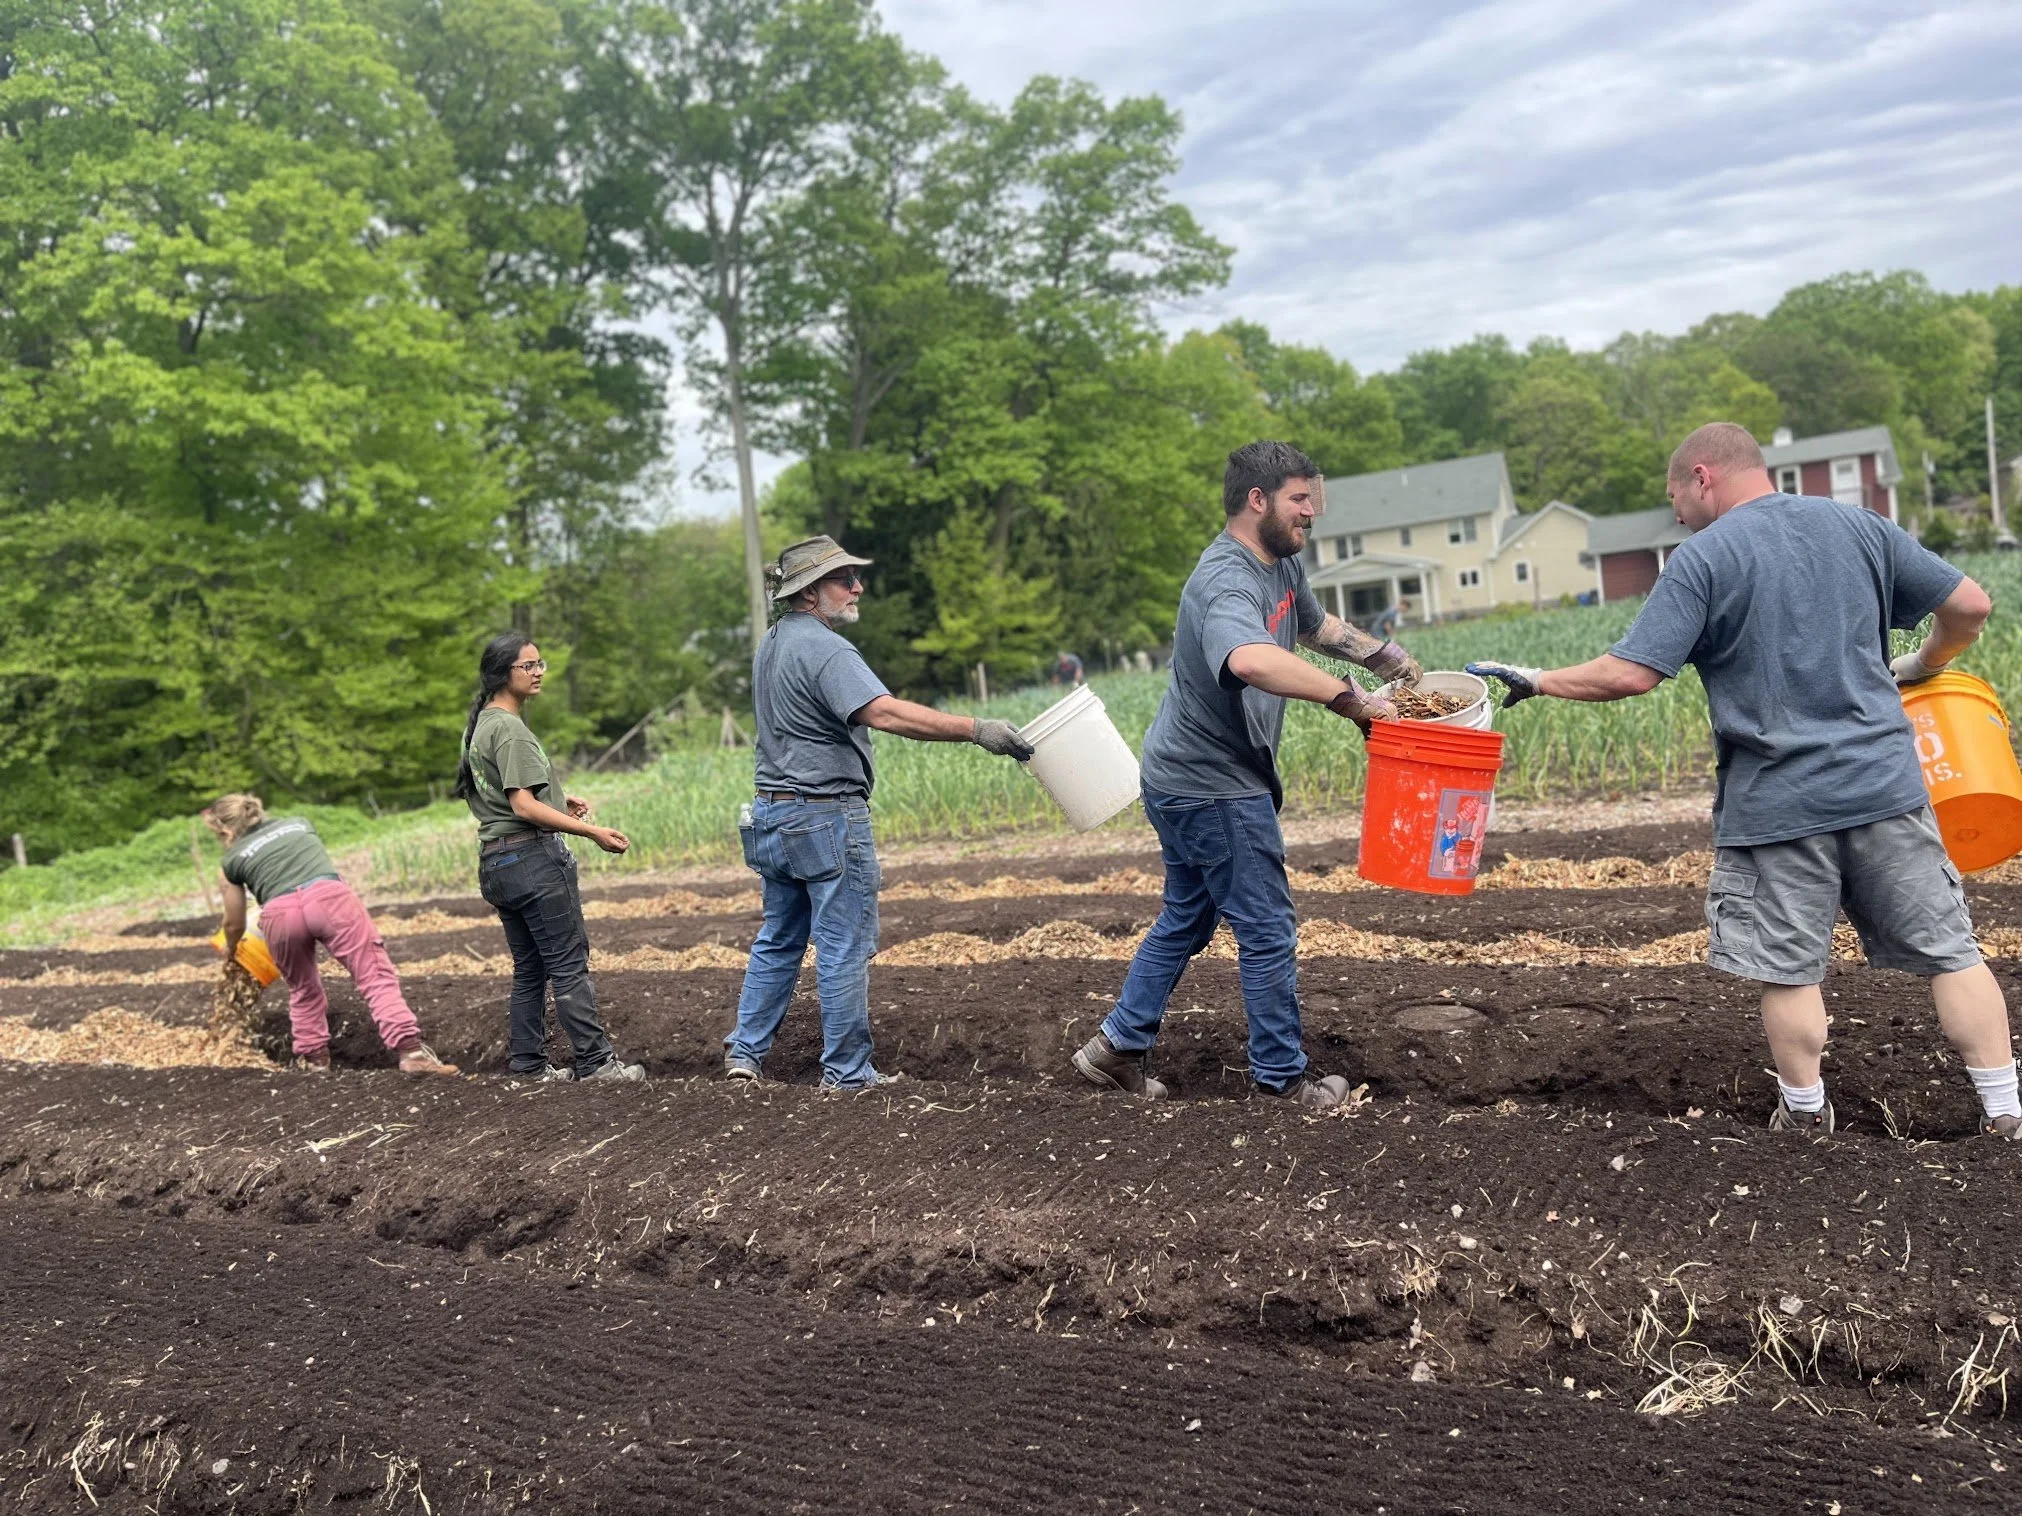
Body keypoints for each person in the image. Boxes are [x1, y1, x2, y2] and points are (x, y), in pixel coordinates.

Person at [1467, 421, 2017, 1138]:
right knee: (1952, 952)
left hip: (1778, 803)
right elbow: (1971, 606)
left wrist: (1537, 679)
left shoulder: (1703, 559)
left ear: (1703, 476)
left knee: (1790, 973)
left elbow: (1631, 672)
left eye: (1676, 499)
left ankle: (1806, 1117)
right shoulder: (1860, 526)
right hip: (1885, 786)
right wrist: (1922, 664)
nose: (1677, 515)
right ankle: (2005, 1111)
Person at [1072, 442, 1422, 1111]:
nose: (1311, 513)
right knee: (1265, 926)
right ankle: (1283, 1083)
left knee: (1187, 917)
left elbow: (1311, 625)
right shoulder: (1224, 580)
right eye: (1299, 500)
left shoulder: (1281, 565)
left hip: (1181, 774)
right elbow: (1253, 660)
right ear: (1256, 500)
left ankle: (1115, 1049)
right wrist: (1350, 702)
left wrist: (1385, 658)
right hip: (1212, 783)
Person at [725, 536, 1034, 1090]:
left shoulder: (771, 644)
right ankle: (847, 1073)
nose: (857, 587)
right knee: (843, 944)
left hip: (772, 815)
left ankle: (744, 1055)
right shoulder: (827, 650)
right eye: (845, 579)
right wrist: (976, 730)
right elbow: (885, 713)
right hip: (825, 817)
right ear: (812, 592)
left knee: (779, 938)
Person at [454, 631, 646, 1084]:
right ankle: (598, 1064)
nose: (539, 673)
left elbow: (501, 796)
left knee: (531, 969)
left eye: (541, 664)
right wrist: (590, 830)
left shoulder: (480, 724)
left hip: (496, 862)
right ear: (503, 673)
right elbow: (522, 805)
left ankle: (529, 1066)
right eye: (529, 666)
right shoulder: (510, 729)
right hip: (532, 862)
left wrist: (558, 800)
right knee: (567, 963)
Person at [204, 795, 456, 1076]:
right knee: (373, 974)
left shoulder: (231, 860)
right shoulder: (298, 824)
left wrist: (231, 948)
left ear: (225, 831)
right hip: (329, 898)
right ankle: (412, 1053)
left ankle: (315, 1063)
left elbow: (234, 923)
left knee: (303, 989)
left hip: (279, 914)